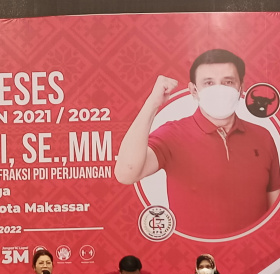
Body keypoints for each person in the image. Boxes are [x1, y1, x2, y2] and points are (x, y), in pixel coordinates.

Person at [115, 49, 280, 236]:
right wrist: (152, 103)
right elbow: (126, 173)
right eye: (209, 83)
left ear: (241, 87)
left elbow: (274, 211)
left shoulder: (263, 136)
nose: (219, 90)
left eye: (228, 82)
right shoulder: (172, 134)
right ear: (194, 90)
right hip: (192, 252)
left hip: (254, 251)